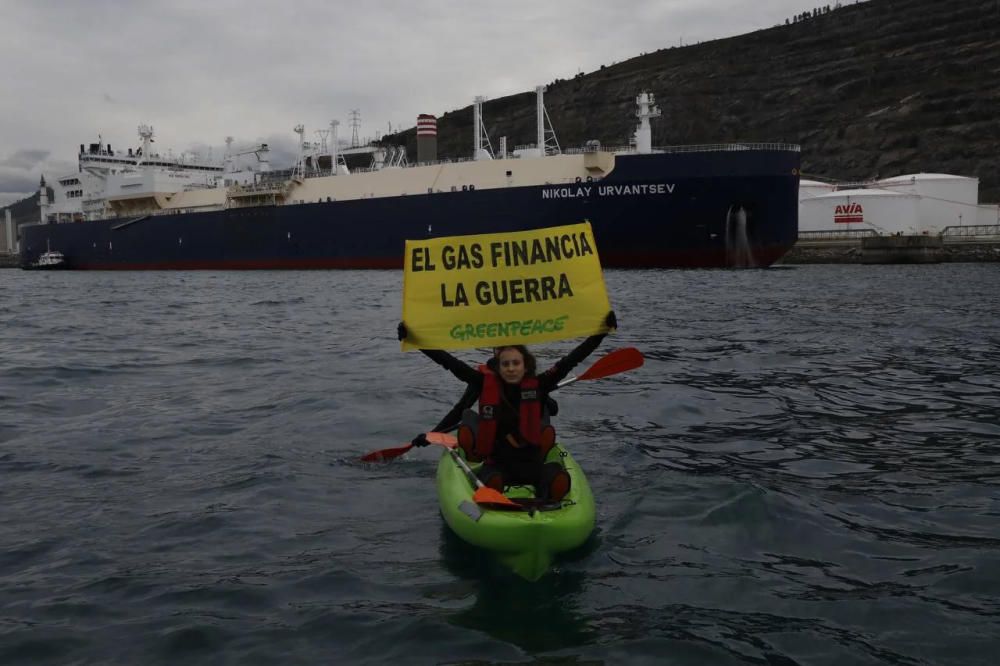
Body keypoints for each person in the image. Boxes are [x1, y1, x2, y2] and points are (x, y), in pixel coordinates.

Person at [398, 310, 616, 501]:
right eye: (506, 364)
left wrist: (602, 332)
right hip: (499, 464)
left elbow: (572, 359)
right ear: (498, 366)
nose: (511, 368)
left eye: (516, 363)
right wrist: (417, 341)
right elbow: (449, 363)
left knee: (556, 475)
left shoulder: (539, 384)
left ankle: (547, 488)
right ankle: (487, 479)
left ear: (525, 365)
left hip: (532, 464)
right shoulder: (483, 383)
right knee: (492, 478)